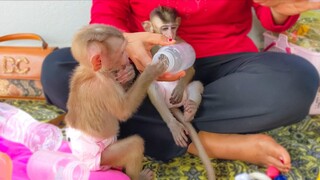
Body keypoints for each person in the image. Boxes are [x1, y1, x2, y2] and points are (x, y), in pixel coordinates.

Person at [41, 0, 320, 173]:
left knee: (297, 81)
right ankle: (202, 143)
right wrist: (125, 42)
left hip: (227, 68)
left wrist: (280, 8)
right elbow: (106, 14)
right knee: (59, 71)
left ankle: (168, 130)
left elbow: (273, 12)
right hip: (146, 65)